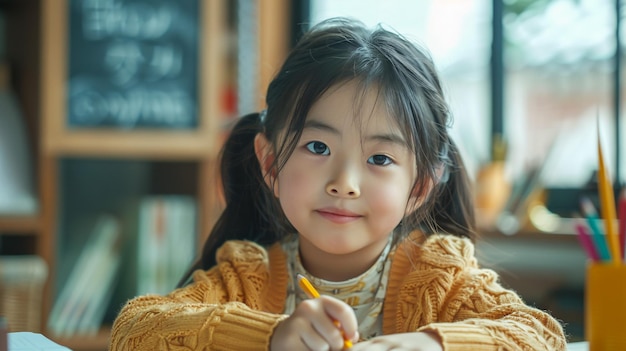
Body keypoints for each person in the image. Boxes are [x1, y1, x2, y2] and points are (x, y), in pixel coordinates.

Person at [109, 17, 566, 351]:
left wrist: (433, 344)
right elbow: (135, 330)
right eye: (318, 148)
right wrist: (272, 336)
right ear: (270, 163)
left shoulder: (440, 277)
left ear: (420, 187)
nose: (345, 184)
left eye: (380, 159)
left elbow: (540, 337)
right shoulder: (245, 276)